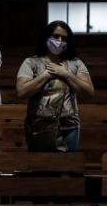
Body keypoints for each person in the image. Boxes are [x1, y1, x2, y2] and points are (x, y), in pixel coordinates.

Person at [16, 20, 94, 152]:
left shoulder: (75, 63)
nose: (59, 40)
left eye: (64, 38)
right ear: (47, 37)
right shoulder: (31, 62)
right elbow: (22, 92)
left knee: (69, 166)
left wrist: (66, 74)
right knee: (41, 168)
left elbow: (89, 93)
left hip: (69, 126)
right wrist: (46, 74)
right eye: (56, 36)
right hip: (38, 126)